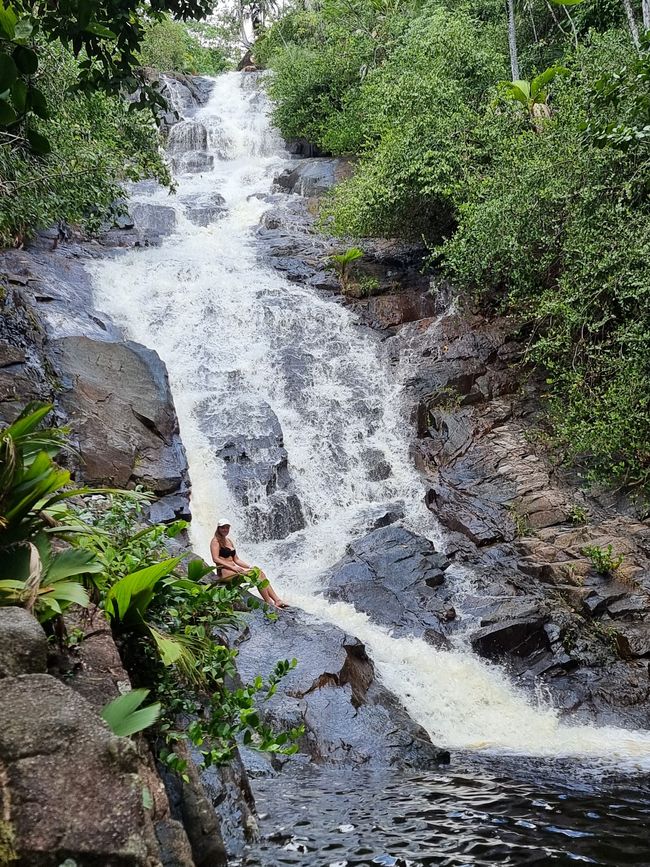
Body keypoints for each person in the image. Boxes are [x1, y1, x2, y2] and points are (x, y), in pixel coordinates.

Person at [210, 519, 287, 609]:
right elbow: (215, 559)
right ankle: (268, 602)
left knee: (259, 572)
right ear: (218, 528)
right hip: (225, 572)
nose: (225, 530)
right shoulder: (215, 541)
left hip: (234, 570)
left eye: (227, 528)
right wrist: (233, 567)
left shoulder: (229, 541)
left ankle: (277, 600)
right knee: (257, 576)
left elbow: (237, 559)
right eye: (223, 528)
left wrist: (250, 566)